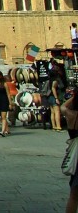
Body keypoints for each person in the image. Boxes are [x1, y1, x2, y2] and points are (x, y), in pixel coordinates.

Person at [62, 85, 78, 213]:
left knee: (74, 196)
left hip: (76, 158)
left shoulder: (71, 116)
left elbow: (63, 107)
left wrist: (73, 98)